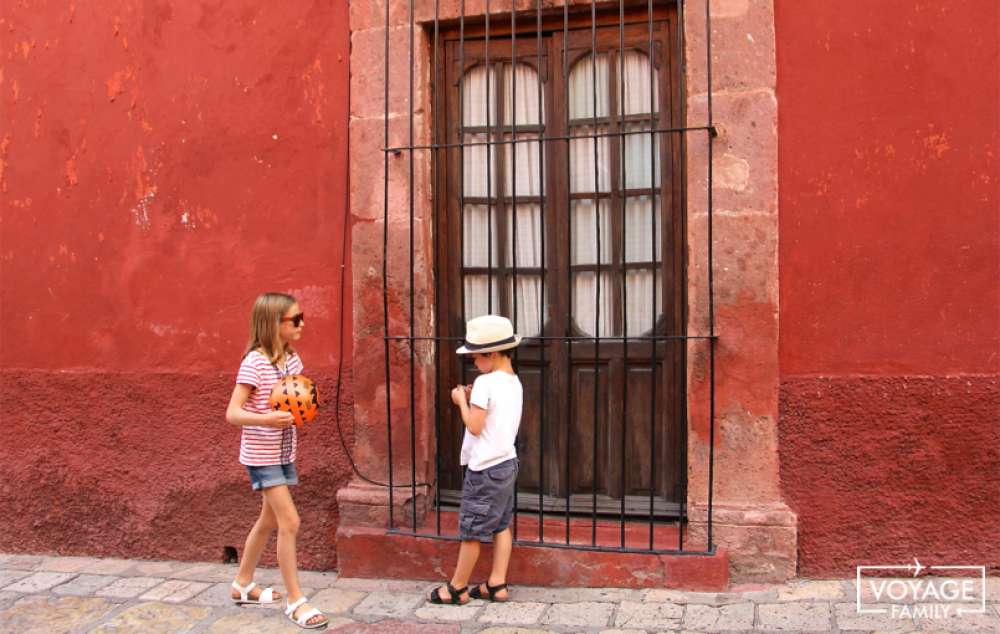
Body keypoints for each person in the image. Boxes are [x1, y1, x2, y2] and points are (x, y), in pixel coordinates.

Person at [225, 292, 328, 629]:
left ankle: (242, 584)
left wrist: (304, 406)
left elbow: (293, 401)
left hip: (284, 452)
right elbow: (233, 413)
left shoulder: (292, 361)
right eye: (294, 319)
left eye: (301, 317)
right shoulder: (254, 363)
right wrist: (268, 419)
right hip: (261, 455)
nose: (302, 324)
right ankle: (296, 601)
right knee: (290, 522)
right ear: (274, 324)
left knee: (268, 521)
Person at [429, 314, 523, 605]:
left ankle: (457, 588)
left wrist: (461, 402)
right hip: (507, 463)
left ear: (491, 354)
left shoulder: (484, 383)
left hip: (484, 469)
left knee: (471, 530)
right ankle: (497, 583)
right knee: (501, 524)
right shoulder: (513, 381)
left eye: (475, 357)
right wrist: (474, 399)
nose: (473, 363)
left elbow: (475, 426)